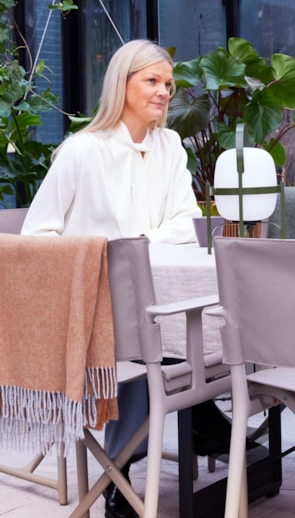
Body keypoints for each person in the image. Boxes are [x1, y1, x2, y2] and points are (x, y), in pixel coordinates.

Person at [21, 39, 239, 518]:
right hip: (95, 313)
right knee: (150, 342)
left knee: (202, 325)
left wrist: (137, 244)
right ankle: (137, 465)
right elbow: (36, 236)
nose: (164, 92)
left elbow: (186, 221)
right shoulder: (81, 152)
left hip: (155, 303)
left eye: (168, 83)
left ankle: (200, 424)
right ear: (121, 84)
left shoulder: (170, 147)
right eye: (152, 81)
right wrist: (104, 259)